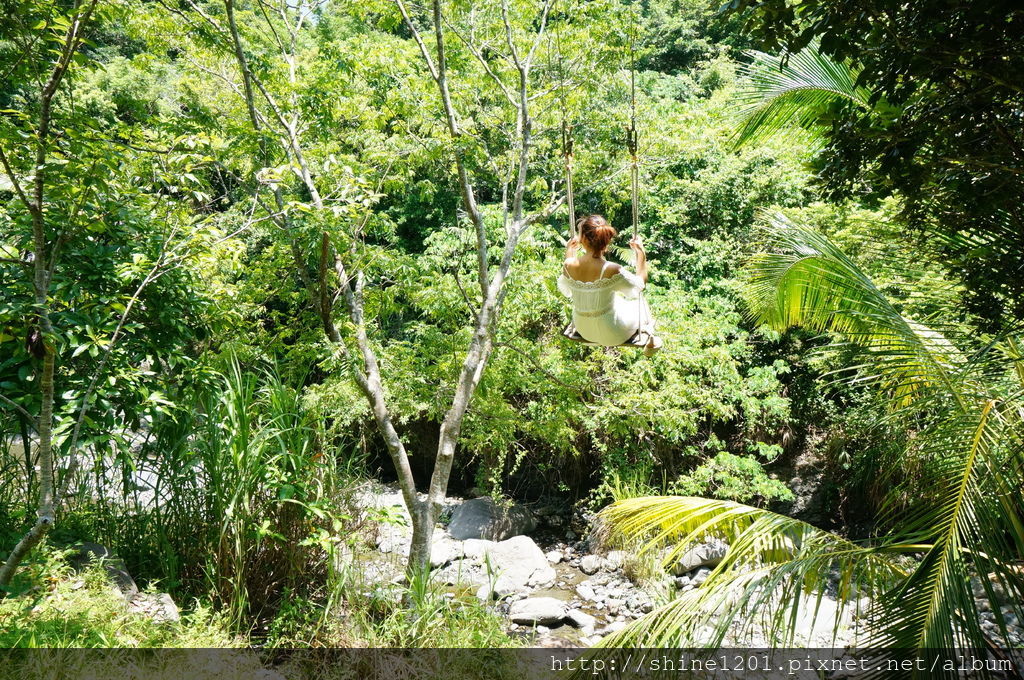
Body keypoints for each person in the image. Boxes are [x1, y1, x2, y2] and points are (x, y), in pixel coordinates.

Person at [557, 214, 663, 356]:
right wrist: (641, 253)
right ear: (606, 241)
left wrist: (569, 251)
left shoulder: (569, 264)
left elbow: (567, 291)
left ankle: (650, 338)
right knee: (639, 302)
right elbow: (640, 285)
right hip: (613, 333)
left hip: (584, 330)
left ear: (581, 239)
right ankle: (650, 339)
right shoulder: (612, 269)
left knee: (617, 300)